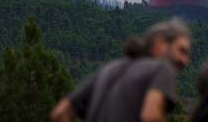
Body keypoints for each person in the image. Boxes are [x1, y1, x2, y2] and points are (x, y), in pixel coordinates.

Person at [50, 17, 191, 122]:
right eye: (182, 51)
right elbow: (151, 116)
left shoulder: (109, 69)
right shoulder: (161, 69)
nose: (185, 61)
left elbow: (60, 112)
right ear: (160, 43)